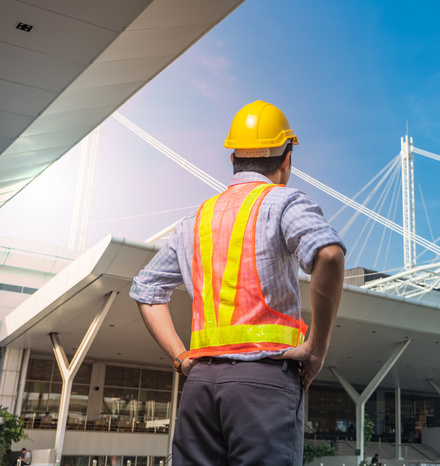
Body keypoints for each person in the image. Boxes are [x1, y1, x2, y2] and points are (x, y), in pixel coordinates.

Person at [130, 100, 346, 466]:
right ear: (286, 159)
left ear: (233, 159)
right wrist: (316, 349)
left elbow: (146, 290)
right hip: (263, 384)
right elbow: (328, 255)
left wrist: (182, 359)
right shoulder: (283, 202)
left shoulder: (195, 219)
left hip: (199, 386)